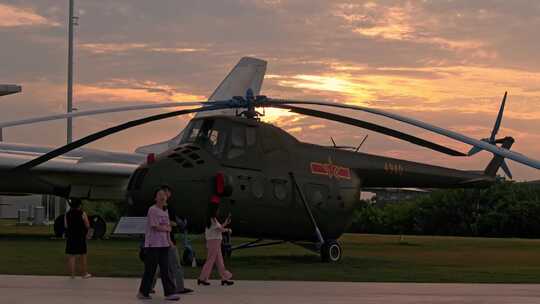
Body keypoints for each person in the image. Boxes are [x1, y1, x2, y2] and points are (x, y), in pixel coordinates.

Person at [137, 189, 180, 301]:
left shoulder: (165, 211)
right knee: (150, 269)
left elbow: (168, 229)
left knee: (166, 269)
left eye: (164, 195)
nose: (162, 196)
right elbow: (155, 226)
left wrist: (169, 241)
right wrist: (167, 227)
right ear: (155, 198)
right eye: (160, 195)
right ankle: (143, 292)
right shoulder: (152, 210)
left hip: (164, 244)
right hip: (153, 244)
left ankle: (170, 293)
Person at [150, 185, 193, 295]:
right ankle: (179, 288)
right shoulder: (159, 209)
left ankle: (149, 287)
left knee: (160, 266)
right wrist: (176, 224)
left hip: (166, 240)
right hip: (166, 241)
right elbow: (162, 224)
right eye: (164, 193)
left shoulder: (166, 207)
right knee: (174, 265)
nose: (166, 195)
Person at [197, 199, 233, 286]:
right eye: (217, 209)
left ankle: (224, 278)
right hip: (214, 241)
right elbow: (219, 229)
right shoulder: (212, 219)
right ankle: (202, 278)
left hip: (215, 241)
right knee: (211, 260)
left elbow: (218, 228)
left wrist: (225, 223)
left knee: (219, 260)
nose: (218, 210)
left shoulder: (213, 220)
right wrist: (227, 230)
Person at [64, 198, 92, 279]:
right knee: (83, 255)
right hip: (80, 237)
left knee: (71, 256)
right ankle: (84, 274)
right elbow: (87, 225)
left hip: (71, 237)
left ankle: (72, 275)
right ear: (79, 205)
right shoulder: (82, 213)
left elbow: (66, 225)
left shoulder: (67, 214)